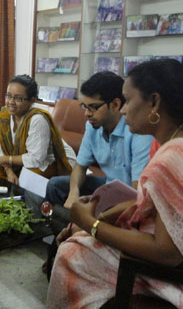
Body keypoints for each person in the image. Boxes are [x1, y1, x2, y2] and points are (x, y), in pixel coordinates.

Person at [47, 60, 183, 309]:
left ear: (154, 102)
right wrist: (100, 217)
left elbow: (166, 254)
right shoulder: (177, 139)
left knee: (72, 254)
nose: (124, 110)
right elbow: (149, 203)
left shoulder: (173, 156)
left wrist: (90, 224)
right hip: (179, 251)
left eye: (127, 100)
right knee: (78, 235)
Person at [45, 71, 153, 209]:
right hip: (109, 185)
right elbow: (80, 166)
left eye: (93, 107)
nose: (87, 113)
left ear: (115, 104)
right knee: (56, 185)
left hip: (131, 195)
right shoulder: (92, 125)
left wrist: (95, 218)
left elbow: (138, 196)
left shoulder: (137, 132)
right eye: (84, 106)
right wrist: (74, 193)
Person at [0, 74, 75, 185]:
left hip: (53, 161)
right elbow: (1, 147)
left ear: (32, 100)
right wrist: (8, 171)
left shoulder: (37, 119)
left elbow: (36, 159)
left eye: (18, 98)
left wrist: (5, 160)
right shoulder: (4, 115)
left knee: (27, 177)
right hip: (26, 158)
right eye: (8, 96)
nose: (10, 102)